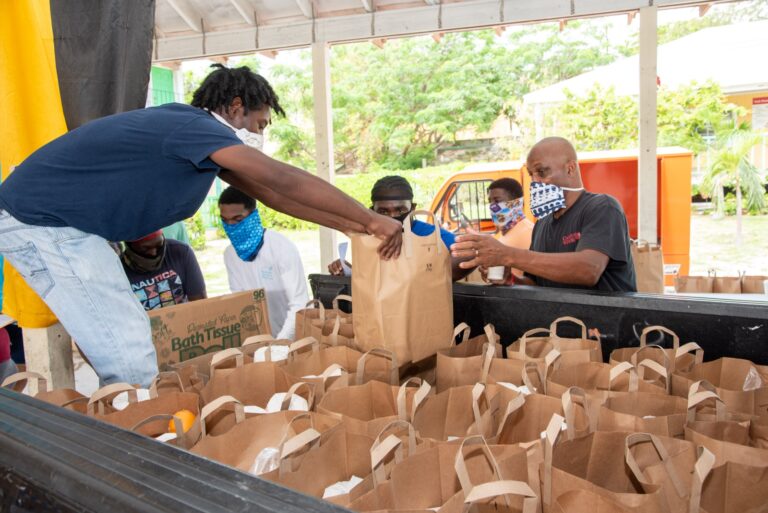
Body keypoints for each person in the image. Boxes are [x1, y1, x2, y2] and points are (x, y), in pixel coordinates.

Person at [0, 64, 401, 386]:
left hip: (54, 222)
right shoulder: (194, 127)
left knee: (124, 343)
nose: (260, 137)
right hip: (43, 222)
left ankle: (137, 426)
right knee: (130, 353)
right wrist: (369, 217)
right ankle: (144, 452)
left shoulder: (198, 142)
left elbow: (272, 195)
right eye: (260, 125)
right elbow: (280, 178)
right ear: (235, 106)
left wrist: (356, 228)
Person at [451, 137, 636, 292]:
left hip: (605, 329)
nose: (535, 182)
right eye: (532, 174)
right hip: (559, 329)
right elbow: (536, 283)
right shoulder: (542, 224)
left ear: (570, 169)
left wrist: (507, 254)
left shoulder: (602, 208)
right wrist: (511, 280)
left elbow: (588, 270)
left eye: (542, 172)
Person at [328, 176, 471, 282]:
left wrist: (430, 274)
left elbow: (469, 253)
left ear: (413, 208)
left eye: (400, 210)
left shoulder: (429, 233)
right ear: (372, 211)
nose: (392, 217)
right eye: (383, 212)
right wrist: (347, 270)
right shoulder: (367, 238)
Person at [218, 186, 308, 340]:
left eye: (238, 220)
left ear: (253, 215)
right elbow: (240, 301)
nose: (231, 226)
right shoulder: (230, 254)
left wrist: (281, 342)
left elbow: (300, 304)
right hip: (259, 342)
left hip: (295, 339)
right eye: (225, 221)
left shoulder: (281, 247)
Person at [120, 230, 207, 310]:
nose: (153, 252)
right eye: (145, 249)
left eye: (159, 245)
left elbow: (200, 304)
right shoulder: (119, 269)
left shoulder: (181, 252)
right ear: (130, 246)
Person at [476, 177, 534, 285]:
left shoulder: (531, 233)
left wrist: (510, 279)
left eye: (497, 200)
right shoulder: (501, 234)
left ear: (516, 202)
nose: (492, 206)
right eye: (490, 201)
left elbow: (536, 281)